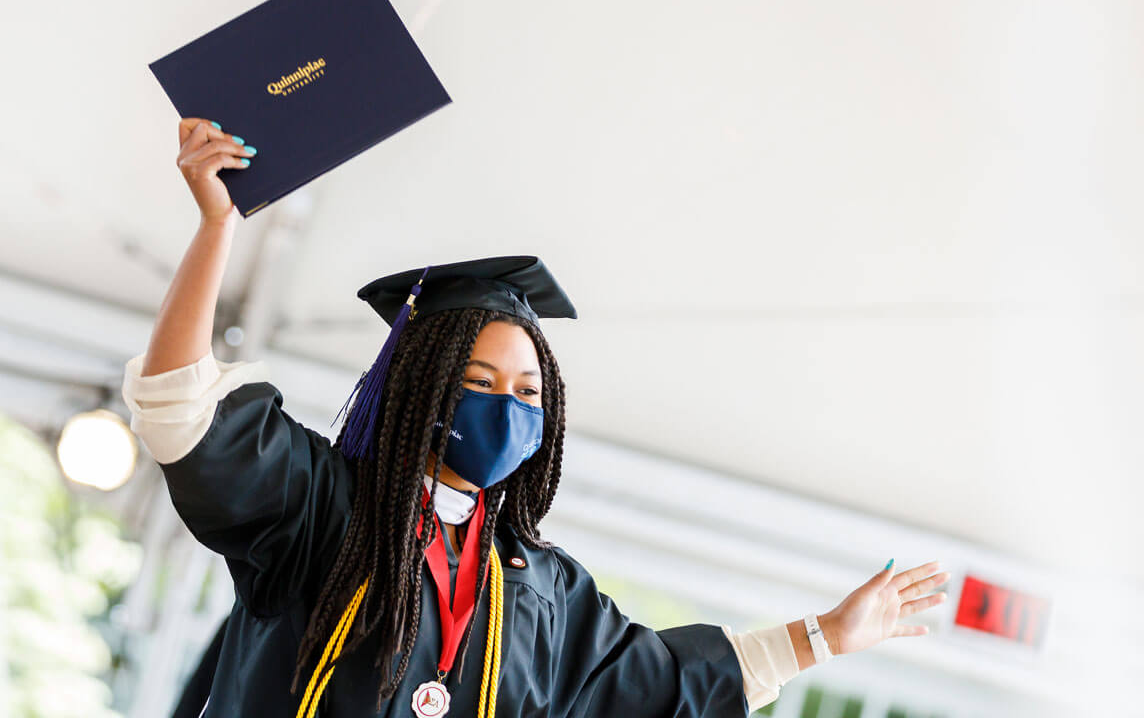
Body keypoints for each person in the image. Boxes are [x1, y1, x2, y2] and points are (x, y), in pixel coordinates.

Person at [121, 117, 951, 718]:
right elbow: (180, 405)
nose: (509, 408)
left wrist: (825, 636)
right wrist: (216, 228)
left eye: (528, 395)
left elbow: (664, 682)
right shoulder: (321, 506)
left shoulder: (539, 591)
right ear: (421, 387)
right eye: (479, 380)